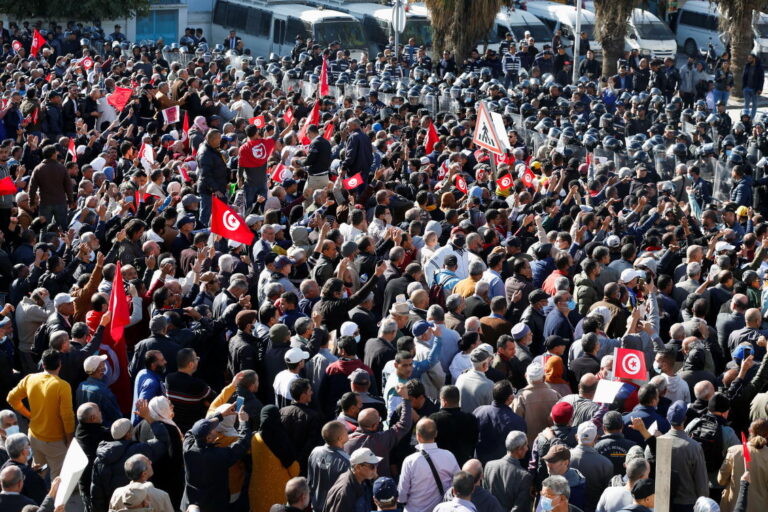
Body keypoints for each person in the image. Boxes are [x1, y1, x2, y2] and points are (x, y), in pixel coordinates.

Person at [6, 349, 74, 479]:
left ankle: (36, 495)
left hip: (34, 437)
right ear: (60, 364)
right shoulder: (63, 386)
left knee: (39, 471)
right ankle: (53, 499)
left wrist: (29, 415)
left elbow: (11, 398)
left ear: (43, 364)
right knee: (58, 477)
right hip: (55, 442)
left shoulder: (30, 378)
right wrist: (69, 439)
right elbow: (67, 416)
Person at [181, 404, 252, 512]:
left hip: (190, 504)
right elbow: (242, 444)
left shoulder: (187, 446)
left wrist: (221, 415)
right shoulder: (218, 456)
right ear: (209, 438)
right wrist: (243, 422)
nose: (217, 428)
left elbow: (192, 431)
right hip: (213, 505)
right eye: (213, 429)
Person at [397, 418, 460, 512]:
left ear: (417, 436)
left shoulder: (410, 461)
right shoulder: (449, 456)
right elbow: (459, 483)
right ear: (436, 434)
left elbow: (402, 495)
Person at [249, 405, 300, 512]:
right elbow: (294, 470)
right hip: (278, 495)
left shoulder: (254, 438)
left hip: (256, 492)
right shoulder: (282, 441)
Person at [483, 430, 533, 512]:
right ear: (519, 449)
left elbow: (486, 496)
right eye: (526, 445)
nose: (527, 449)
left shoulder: (489, 466)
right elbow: (520, 508)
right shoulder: (524, 476)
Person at [307, 421, 351, 512]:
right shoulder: (346, 461)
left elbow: (310, 481)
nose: (348, 431)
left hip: (315, 506)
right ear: (340, 438)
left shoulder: (315, 451)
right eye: (346, 430)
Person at [108, 455, 174, 512]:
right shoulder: (162, 496)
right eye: (148, 462)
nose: (151, 462)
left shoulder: (117, 493)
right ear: (144, 474)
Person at [323, 447, 380, 512]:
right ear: (358, 467)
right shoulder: (345, 492)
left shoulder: (361, 479)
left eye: (376, 465)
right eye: (372, 466)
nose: (375, 470)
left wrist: (375, 476)